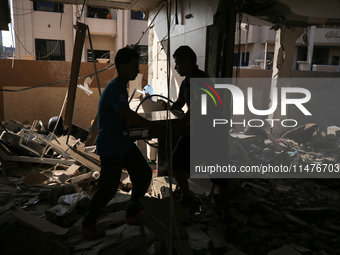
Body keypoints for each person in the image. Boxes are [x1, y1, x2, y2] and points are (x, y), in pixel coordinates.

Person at [82, 47, 164, 240]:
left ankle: (132, 212)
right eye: (134, 66)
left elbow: (123, 117)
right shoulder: (115, 87)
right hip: (111, 146)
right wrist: (151, 125)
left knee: (143, 173)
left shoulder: (120, 86)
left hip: (122, 143)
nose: (137, 71)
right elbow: (125, 114)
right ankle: (88, 223)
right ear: (122, 66)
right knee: (108, 188)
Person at [170, 45, 230, 223]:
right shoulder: (186, 81)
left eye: (178, 63)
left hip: (213, 133)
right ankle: (188, 196)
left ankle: (227, 216)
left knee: (219, 176)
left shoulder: (202, 79)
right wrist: (164, 115)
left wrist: (179, 124)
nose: (176, 67)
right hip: (196, 131)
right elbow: (180, 103)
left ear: (187, 62)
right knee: (176, 162)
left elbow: (195, 107)